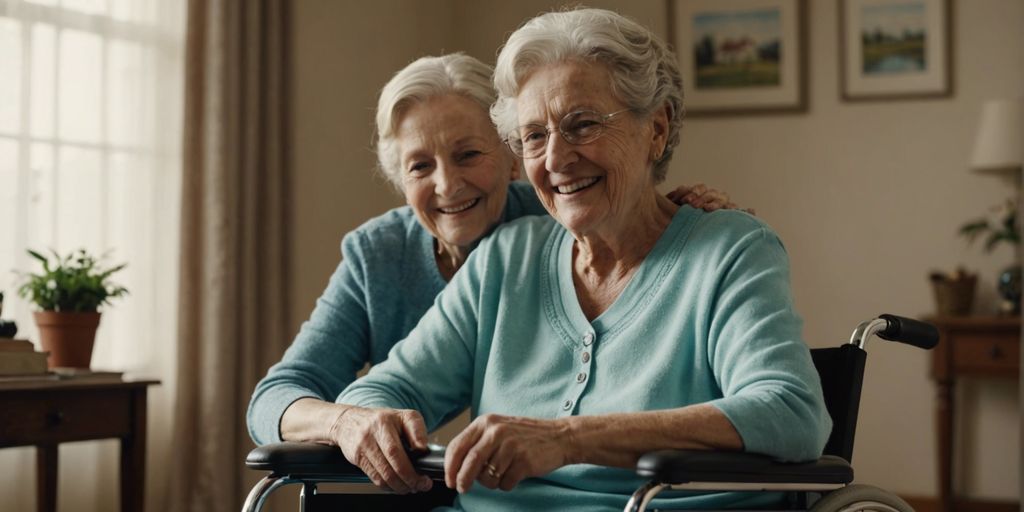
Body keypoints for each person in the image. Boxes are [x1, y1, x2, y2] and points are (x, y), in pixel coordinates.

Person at [331, 8, 831, 511]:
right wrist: (371, 423)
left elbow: (790, 412)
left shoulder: (729, 251)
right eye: (534, 136)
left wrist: (568, 438)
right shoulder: (504, 259)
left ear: (656, 129)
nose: (556, 159)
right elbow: (386, 389)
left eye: (583, 124)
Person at [246, 53, 737, 447]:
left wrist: (682, 219)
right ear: (400, 180)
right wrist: (344, 422)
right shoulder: (379, 256)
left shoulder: (555, 216)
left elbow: (629, 215)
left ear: (513, 156)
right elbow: (277, 396)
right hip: (449, 477)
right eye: (420, 166)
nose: (447, 185)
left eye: (468, 155)